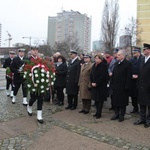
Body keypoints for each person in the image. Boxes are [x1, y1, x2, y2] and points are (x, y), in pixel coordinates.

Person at [110, 50, 132, 122]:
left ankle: (122, 115)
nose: (117, 56)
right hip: (116, 86)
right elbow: (113, 74)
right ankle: (116, 114)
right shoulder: (116, 63)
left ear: (123, 56)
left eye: (119, 55)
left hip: (123, 87)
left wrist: (127, 86)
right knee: (115, 101)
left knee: (122, 102)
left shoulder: (128, 64)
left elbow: (129, 76)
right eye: (117, 55)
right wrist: (112, 84)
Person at [27, 47, 45, 124]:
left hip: (40, 81)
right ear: (31, 51)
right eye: (34, 50)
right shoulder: (28, 59)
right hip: (32, 82)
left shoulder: (40, 59)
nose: (35, 52)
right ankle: (29, 106)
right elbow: (26, 70)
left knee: (40, 98)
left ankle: (39, 116)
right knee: (33, 98)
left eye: (36, 50)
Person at [134, 43, 150, 128]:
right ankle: (142, 118)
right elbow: (140, 73)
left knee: (149, 104)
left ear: (149, 50)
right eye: (143, 49)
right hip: (141, 85)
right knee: (142, 103)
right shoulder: (142, 59)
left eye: (145, 49)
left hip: (148, 86)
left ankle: (148, 120)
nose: (143, 51)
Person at [90, 53, 109, 119]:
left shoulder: (103, 66)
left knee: (100, 100)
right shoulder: (94, 65)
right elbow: (91, 74)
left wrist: (97, 83)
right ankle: (96, 112)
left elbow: (103, 76)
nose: (95, 59)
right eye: (95, 58)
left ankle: (99, 113)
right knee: (96, 100)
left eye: (97, 58)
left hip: (101, 86)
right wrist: (92, 82)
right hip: (94, 85)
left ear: (100, 59)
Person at [129, 47, 143, 113]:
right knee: (133, 96)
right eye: (133, 52)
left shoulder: (142, 59)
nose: (134, 53)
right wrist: (131, 75)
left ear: (139, 53)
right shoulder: (131, 60)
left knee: (139, 95)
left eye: (135, 52)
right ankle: (135, 107)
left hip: (140, 80)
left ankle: (142, 109)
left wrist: (138, 75)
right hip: (132, 81)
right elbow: (128, 69)